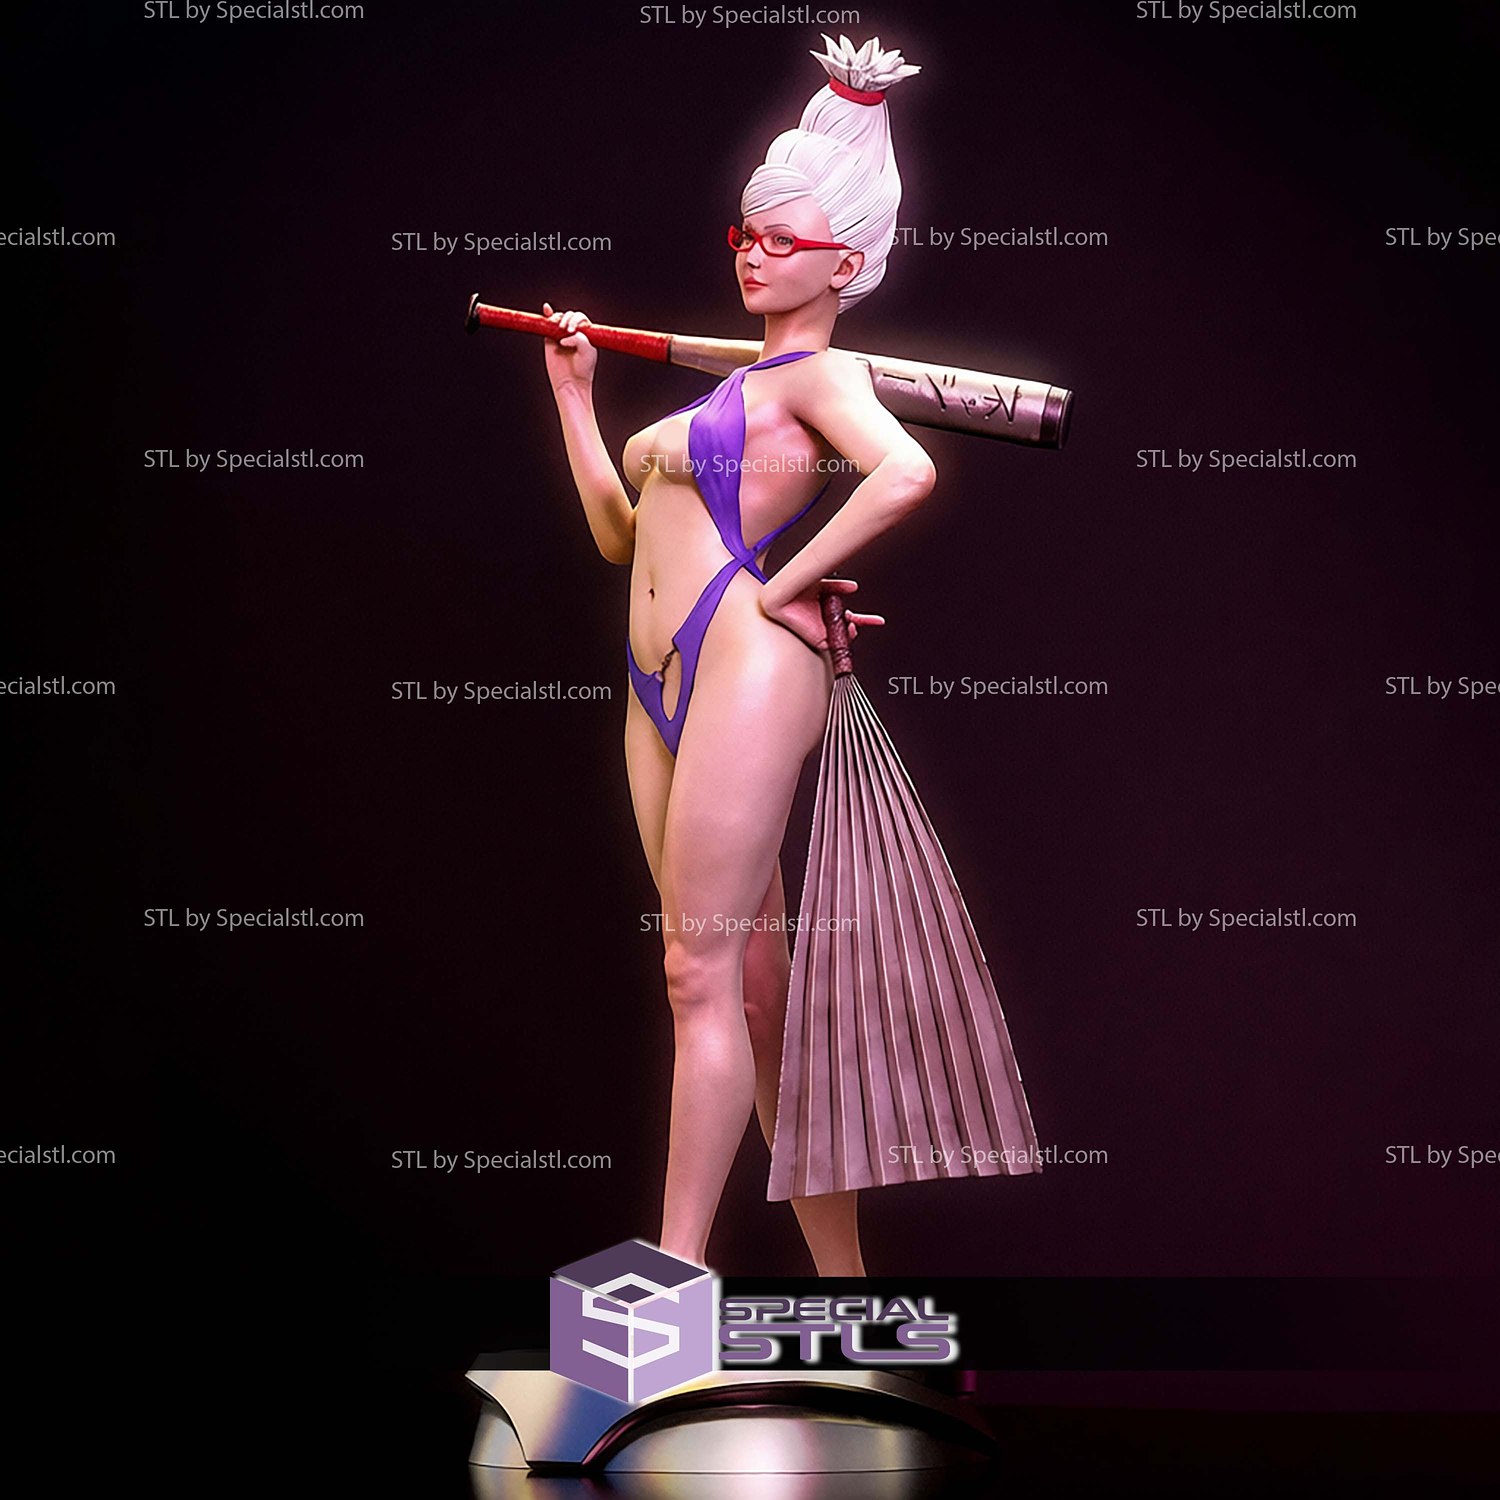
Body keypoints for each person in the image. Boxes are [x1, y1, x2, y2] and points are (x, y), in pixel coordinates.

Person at [541, 36, 929, 1275]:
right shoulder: (721, 393)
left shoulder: (824, 376)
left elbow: (907, 470)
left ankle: (673, 1283)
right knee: (752, 989)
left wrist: (786, 587)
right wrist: (574, 395)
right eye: (746, 236)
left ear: (845, 263)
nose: (754, 254)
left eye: (782, 239)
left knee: (693, 972)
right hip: (655, 679)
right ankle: (846, 1288)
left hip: (743, 659)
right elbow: (619, 536)